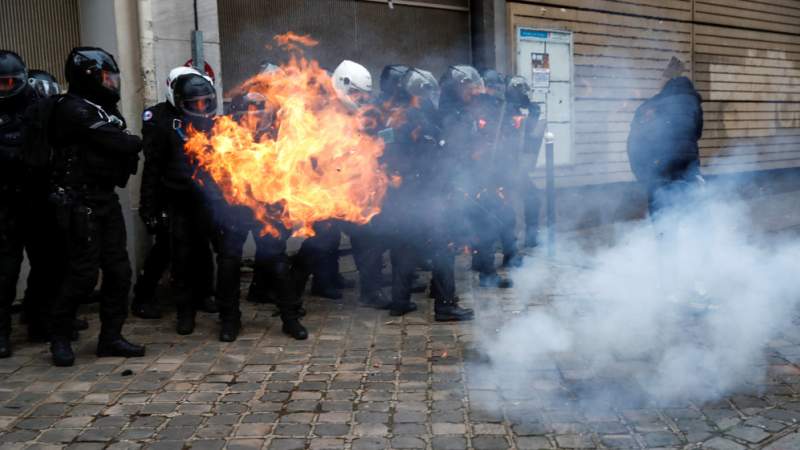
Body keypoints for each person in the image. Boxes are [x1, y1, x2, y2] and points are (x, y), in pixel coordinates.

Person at [47, 47, 144, 366]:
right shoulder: (72, 109)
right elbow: (119, 142)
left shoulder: (104, 109)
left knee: (120, 271)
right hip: (78, 201)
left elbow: (120, 144)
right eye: (106, 76)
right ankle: (59, 338)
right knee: (83, 274)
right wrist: (129, 143)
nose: (111, 82)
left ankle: (110, 338)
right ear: (88, 76)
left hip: (105, 198)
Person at [213, 87, 308, 342]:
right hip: (235, 206)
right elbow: (218, 173)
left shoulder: (274, 133)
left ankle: (290, 318)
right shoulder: (226, 135)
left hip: (267, 203)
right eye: (252, 112)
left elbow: (286, 167)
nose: (257, 118)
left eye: (261, 113)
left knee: (277, 260)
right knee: (229, 261)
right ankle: (229, 319)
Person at [133, 66, 217, 320]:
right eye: (195, 102)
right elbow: (153, 166)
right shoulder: (158, 119)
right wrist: (149, 207)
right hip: (170, 196)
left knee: (203, 245)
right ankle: (144, 296)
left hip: (200, 195)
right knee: (165, 248)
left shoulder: (203, 117)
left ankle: (204, 293)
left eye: (204, 102)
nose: (200, 107)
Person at [0, 50, 41, 356]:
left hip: (36, 198)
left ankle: (38, 321)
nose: (6, 87)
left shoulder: (38, 104)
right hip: (4, 202)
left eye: (11, 81)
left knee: (45, 266)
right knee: (5, 271)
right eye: (1, 82)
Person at [627, 56, 704, 216]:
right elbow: (697, 133)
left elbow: (634, 143)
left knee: (662, 219)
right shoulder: (693, 103)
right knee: (691, 217)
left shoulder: (649, 107)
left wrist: (641, 175)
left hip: (658, 172)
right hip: (689, 170)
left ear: (665, 81)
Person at [505, 76, 545, 250]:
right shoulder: (505, 109)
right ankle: (509, 243)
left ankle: (529, 238)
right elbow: (518, 132)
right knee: (503, 204)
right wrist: (531, 116)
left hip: (513, 164)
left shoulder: (515, 107)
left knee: (531, 197)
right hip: (503, 163)